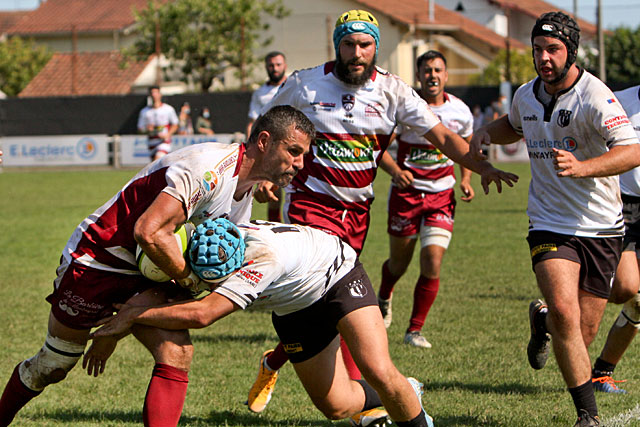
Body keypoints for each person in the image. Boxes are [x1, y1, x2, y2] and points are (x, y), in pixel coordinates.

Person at [248, 8, 518, 424]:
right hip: (307, 213)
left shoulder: (393, 91)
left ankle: (287, 366)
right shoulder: (304, 84)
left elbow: (443, 135)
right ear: (336, 44)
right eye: (349, 44)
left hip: (356, 217)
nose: (357, 53)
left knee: (325, 313)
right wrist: (258, 177)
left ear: (376, 47)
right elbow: (265, 130)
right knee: (336, 308)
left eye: (365, 45)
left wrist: (480, 166)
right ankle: (376, 405)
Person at [0, 105, 315, 427]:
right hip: (100, 259)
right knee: (53, 364)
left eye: (304, 154)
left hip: (154, 271)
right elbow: (149, 232)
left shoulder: (245, 189)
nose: (300, 163)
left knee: (177, 353)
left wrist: (129, 317)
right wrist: (192, 281)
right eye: (294, 151)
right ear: (264, 141)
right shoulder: (207, 170)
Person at [92, 219, 435, 427]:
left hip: (338, 278)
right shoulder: (212, 237)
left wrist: (133, 317)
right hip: (295, 307)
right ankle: (407, 389)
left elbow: (202, 314)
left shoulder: (261, 261)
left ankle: (405, 404)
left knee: (376, 368)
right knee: (336, 406)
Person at [469, 12, 640, 426]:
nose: (543, 58)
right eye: (538, 50)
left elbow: (632, 152)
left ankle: (540, 318)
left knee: (579, 333)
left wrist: (584, 167)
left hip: (600, 226)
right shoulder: (526, 95)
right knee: (566, 314)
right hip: (548, 222)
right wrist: (483, 137)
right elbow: (513, 126)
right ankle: (588, 416)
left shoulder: (596, 96)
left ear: (571, 52)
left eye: (553, 50)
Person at [377, 50, 475, 349]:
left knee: (432, 261)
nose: (432, 75)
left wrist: (467, 179)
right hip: (406, 197)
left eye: (438, 70)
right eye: (427, 70)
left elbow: (466, 149)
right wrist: (395, 171)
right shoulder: (406, 108)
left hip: (441, 197)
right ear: (418, 75)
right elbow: (376, 148)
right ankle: (384, 294)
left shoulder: (460, 112)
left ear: (446, 75)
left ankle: (414, 330)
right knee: (398, 264)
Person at [589, 85, 640, 395]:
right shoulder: (618, 99)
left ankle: (601, 372)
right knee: (624, 288)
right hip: (625, 204)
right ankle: (561, 305)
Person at [248, 51, 288, 222]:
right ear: (266, 67)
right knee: (273, 192)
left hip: (293, 145)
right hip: (271, 146)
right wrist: (250, 144)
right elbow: (253, 120)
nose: (275, 68)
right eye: (271, 65)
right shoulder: (260, 93)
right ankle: (275, 229)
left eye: (278, 64)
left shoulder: (293, 85)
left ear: (285, 65)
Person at [137, 86, 179, 161]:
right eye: (152, 93)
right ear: (149, 95)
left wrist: (168, 134)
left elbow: (175, 124)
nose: (154, 95)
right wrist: (147, 130)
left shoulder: (168, 109)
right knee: (155, 166)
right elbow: (140, 129)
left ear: (160, 94)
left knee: (158, 159)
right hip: (152, 142)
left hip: (164, 142)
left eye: (156, 92)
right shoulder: (144, 112)